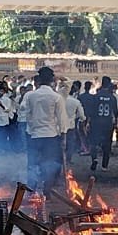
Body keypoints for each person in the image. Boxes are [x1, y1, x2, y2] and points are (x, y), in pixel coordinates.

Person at [20, 67, 70, 195]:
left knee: (33, 165)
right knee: (49, 165)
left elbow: (28, 116)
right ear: (52, 80)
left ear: (39, 79)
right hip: (51, 136)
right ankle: (47, 192)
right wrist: (63, 138)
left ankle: (32, 191)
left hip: (34, 135)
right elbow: (62, 120)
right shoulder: (56, 97)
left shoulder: (31, 96)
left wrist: (30, 131)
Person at [82, 77, 118, 171]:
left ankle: (94, 158)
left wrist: (88, 123)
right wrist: (117, 124)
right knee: (107, 145)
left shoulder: (96, 96)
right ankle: (104, 166)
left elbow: (91, 111)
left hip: (96, 123)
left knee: (93, 142)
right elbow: (116, 113)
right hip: (107, 124)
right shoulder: (112, 98)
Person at [64, 80, 86, 157]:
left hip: (60, 125)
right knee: (70, 142)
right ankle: (68, 158)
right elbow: (82, 115)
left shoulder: (59, 100)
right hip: (71, 124)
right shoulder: (76, 101)